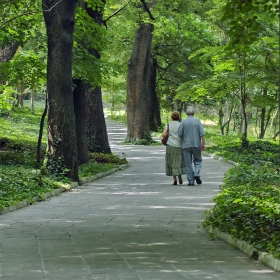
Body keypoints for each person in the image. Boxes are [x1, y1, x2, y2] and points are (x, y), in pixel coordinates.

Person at [177, 106, 205, 186]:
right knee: (198, 160)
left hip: (186, 145)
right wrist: (203, 144)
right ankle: (196, 173)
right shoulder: (197, 121)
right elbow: (202, 134)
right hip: (196, 144)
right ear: (194, 113)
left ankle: (191, 181)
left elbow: (179, 134)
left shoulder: (183, 122)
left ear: (186, 113)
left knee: (188, 163)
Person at [162, 111, 185, 185]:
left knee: (171, 161)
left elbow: (163, 134)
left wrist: (169, 134)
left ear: (171, 117)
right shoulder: (181, 125)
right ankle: (180, 177)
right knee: (179, 161)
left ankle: (174, 180)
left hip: (170, 145)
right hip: (179, 145)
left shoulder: (168, 125)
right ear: (179, 117)